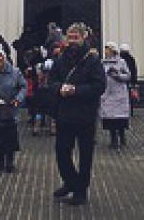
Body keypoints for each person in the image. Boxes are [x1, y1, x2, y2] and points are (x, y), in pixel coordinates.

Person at [49, 22, 106, 207]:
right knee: (61, 151)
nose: (72, 41)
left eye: (76, 37)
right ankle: (71, 182)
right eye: (70, 37)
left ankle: (80, 190)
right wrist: (59, 89)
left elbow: (99, 86)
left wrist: (76, 90)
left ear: (83, 38)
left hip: (85, 115)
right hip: (65, 114)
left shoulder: (93, 60)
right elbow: (52, 82)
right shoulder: (61, 59)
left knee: (85, 155)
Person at [0, 46, 27, 172]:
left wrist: (18, 99)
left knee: (11, 136)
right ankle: (0, 160)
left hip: (11, 109)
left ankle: (10, 161)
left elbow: (23, 86)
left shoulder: (15, 72)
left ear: (5, 58)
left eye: (0, 58)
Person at [100, 42, 131, 148]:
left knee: (120, 117)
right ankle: (113, 138)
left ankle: (122, 136)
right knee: (110, 118)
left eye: (108, 49)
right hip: (108, 92)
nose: (106, 51)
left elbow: (128, 75)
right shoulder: (103, 63)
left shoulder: (121, 62)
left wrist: (118, 76)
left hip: (119, 93)